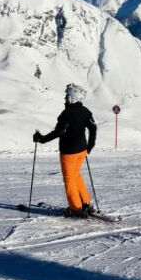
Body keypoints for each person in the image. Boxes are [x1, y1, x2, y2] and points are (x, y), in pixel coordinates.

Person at [33, 83, 98, 218]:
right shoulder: (86, 111)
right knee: (76, 175)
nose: (65, 98)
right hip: (82, 151)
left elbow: (59, 132)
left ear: (73, 98)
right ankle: (85, 203)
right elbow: (93, 128)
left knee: (69, 180)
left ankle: (76, 208)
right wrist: (90, 145)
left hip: (69, 152)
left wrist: (42, 139)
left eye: (67, 96)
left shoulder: (66, 114)